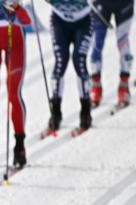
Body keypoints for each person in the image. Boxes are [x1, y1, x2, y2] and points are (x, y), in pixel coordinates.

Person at [0, 0, 31, 169]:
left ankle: (19, 145)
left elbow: (27, 20)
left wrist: (17, 7)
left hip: (15, 40)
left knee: (13, 94)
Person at [45, 0, 93, 132]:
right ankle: (55, 112)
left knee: (79, 61)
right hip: (60, 21)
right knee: (61, 61)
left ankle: (85, 111)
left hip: (83, 21)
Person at [90, 0, 133, 107]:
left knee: (123, 42)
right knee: (96, 43)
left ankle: (124, 86)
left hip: (124, 4)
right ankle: (96, 86)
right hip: (101, 4)